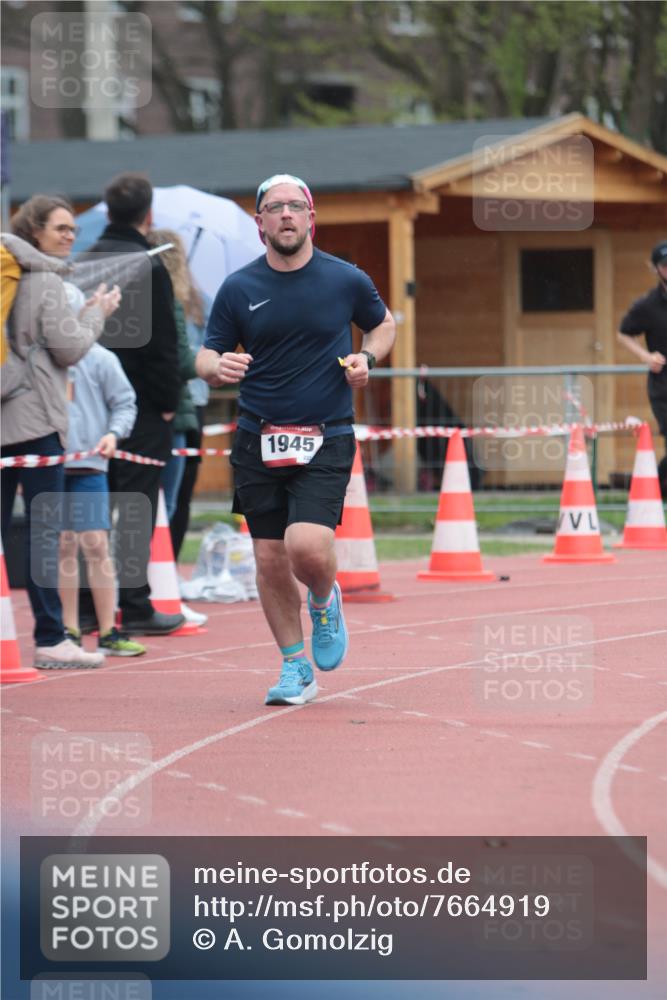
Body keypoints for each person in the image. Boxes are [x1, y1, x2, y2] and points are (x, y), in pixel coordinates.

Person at [196, 173, 396, 707]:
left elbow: (383, 325)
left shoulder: (345, 279)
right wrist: (217, 366)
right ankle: (294, 666)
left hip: (326, 433)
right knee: (267, 558)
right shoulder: (239, 287)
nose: (285, 214)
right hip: (257, 436)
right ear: (259, 222)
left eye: (294, 206)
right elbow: (206, 353)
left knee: (305, 545)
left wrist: (366, 357)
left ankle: (324, 600)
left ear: (311, 217)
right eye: (274, 207)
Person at [1, 196, 120, 669]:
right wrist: (96, 314)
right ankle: (52, 638)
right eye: (61, 228)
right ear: (35, 232)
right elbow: (68, 350)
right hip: (37, 420)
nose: (71, 235)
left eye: (72, 228)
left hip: (4, 417)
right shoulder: (45, 280)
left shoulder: (8, 272)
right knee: (44, 532)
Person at [86, 173, 185, 635]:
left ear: (108, 212)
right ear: (149, 215)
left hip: (90, 405)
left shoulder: (84, 262)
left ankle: (87, 605)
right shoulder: (148, 266)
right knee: (134, 505)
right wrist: (167, 402)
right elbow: (163, 345)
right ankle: (135, 605)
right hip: (141, 404)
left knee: (90, 501)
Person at [59, 342, 146, 656]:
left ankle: (108, 631)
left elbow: (125, 403)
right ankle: (68, 630)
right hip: (50, 464)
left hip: (90, 465)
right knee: (63, 544)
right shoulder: (39, 355)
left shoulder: (101, 358)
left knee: (96, 543)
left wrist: (114, 433)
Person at [146, 227, 207, 629]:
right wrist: (210, 362)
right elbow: (180, 360)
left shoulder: (191, 302)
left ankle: (154, 590)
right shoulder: (172, 302)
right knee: (164, 508)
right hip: (175, 411)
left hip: (178, 408)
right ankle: (156, 594)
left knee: (164, 506)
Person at [617, 240, 667, 498]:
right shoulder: (648, 305)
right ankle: (650, 491)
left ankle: (650, 491)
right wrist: (646, 357)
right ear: (656, 268)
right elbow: (623, 333)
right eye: (665, 265)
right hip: (663, 386)